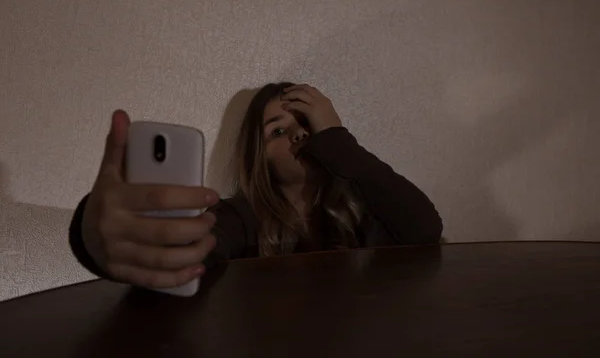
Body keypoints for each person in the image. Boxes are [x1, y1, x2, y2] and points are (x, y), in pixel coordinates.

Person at [69, 83, 442, 289]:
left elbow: (424, 229)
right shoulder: (241, 217)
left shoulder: (363, 211)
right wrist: (96, 234)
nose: (299, 133)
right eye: (278, 130)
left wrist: (339, 143)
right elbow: (188, 250)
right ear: (258, 156)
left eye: (310, 124)